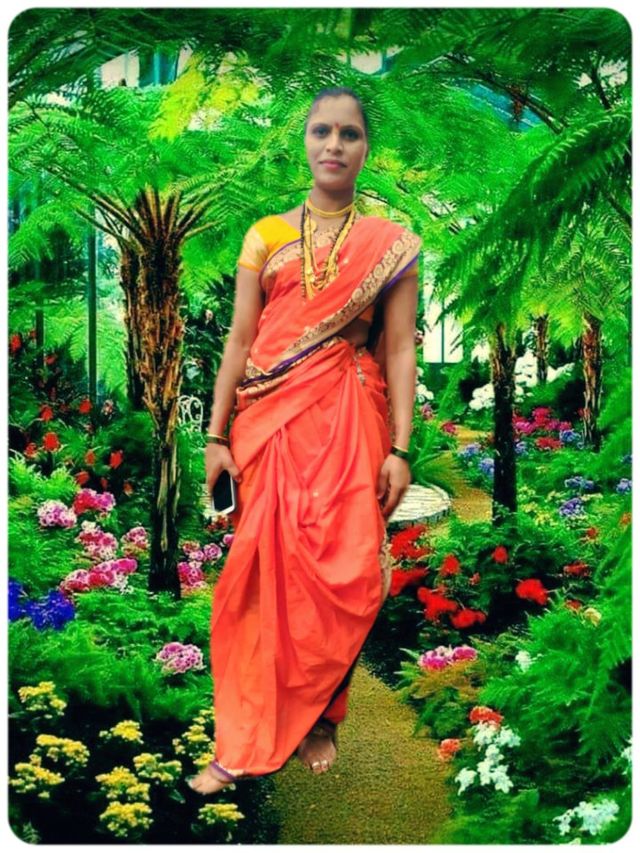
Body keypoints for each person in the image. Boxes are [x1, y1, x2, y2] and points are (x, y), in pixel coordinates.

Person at [187, 86, 422, 795]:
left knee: (344, 572)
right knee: (257, 578)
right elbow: (240, 339)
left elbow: (400, 348)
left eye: (349, 133)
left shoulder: (391, 243)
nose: (334, 145)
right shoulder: (264, 235)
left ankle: (322, 713)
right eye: (322, 131)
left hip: (349, 415)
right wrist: (214, 435)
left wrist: (401, 449)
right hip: (268, 423)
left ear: (366, 147)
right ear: (305, 141)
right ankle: (243, 735)